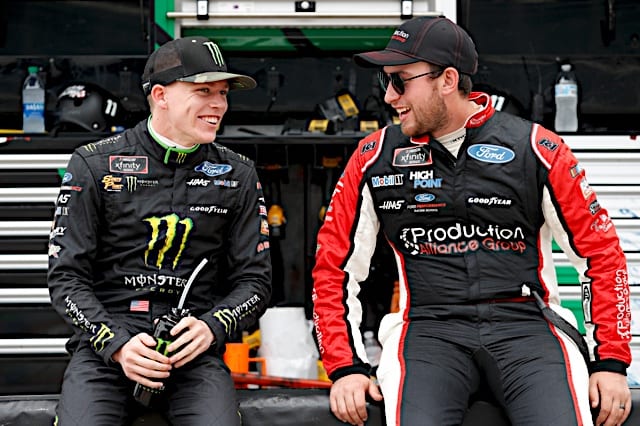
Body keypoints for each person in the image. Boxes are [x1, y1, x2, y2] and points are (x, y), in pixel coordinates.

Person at [312, 16, 632, 426]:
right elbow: (333, 266)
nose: (389, 96)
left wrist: (611, 361)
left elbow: (600, 255)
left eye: (401, 81)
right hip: (427, 330)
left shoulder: (536, 147)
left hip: (528, 326)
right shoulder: (374, 157)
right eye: (385, 82)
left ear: (447, 79)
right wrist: (346, 367)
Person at [48, 36, 272, 425]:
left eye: (222, 93)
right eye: (203, 91)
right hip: (107, 346)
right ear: (161, 95)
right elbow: (66, 278)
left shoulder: (238, 173)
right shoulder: (94, 164)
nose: (218, 104)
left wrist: (212, 327)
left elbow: (256, 281)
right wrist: (116, 344)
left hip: (193, 347)